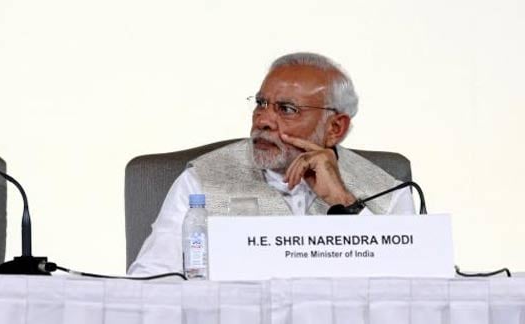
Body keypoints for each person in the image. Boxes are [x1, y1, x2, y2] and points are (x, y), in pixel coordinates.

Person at [128, 52, 415, 276]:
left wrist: (342, 200)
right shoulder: (201, 182)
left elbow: (413, 290)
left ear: (335, 128)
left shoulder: (388, 193)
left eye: (286, 109)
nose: (263, 120)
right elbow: (152, 281)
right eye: (261, 104)